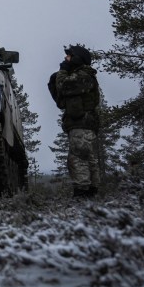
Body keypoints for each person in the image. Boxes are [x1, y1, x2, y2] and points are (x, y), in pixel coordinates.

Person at [48, 44, 101, 197]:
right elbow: (61, 100)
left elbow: (65, 87)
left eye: (69, 56)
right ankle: (91, 191)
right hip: (79, 123)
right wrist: (54, 82)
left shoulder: (84, 75)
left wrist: (63, 71)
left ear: (77, 58)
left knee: (77, 158)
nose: (66, 58)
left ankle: (82, 192)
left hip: (82, 123)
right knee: (86, 156)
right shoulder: (80, 75)